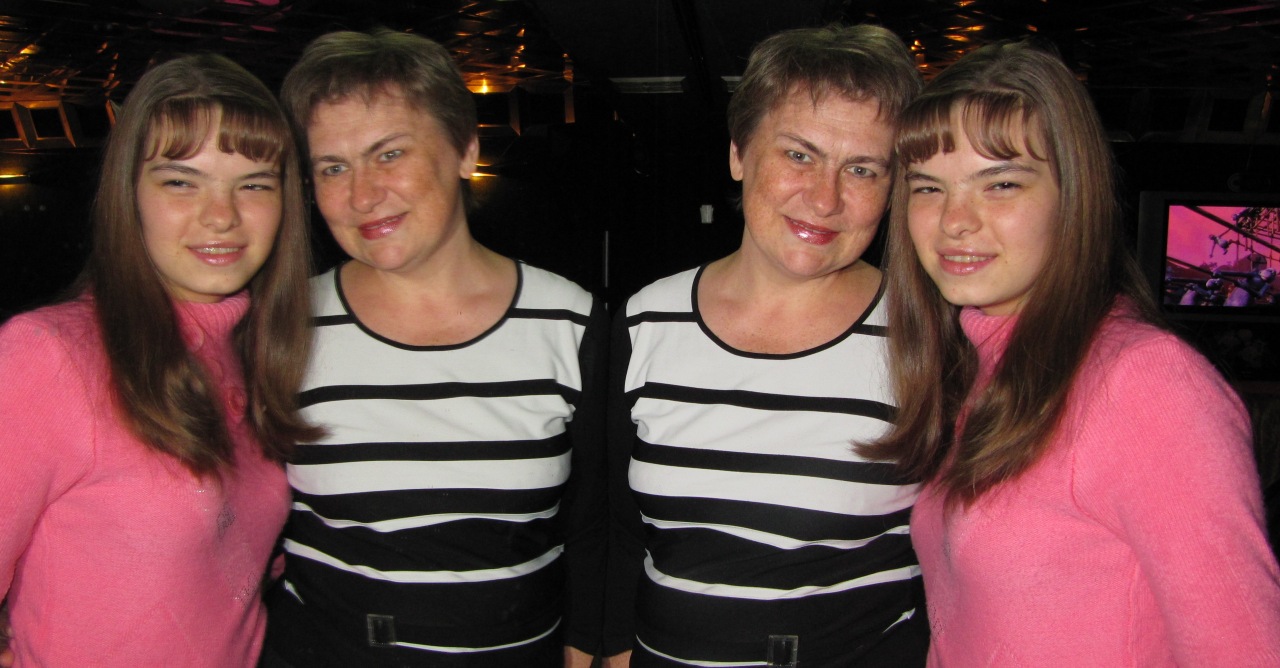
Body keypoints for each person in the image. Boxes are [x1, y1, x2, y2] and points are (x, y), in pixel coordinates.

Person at [865, 40, 1280, 665]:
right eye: (928, 188)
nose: (954, 221)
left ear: (1072, 195)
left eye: (1001, 184)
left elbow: (1244, 650)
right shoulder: (982, 365)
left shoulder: (1145, 382)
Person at [260, 29, 608, 667]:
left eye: (389, 154)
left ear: (464, 149)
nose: (362, 196)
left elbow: (595, 527)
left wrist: (586, 649)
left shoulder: (569, 320)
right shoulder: (280, 324)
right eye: (333, 167)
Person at [604, 24, 927, 667]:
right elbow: (614, 529)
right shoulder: (645, 321)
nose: (826, 198)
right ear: (739, 154)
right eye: (799, 155)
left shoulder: (929, 334)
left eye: (862, 169)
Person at [0, 53, 318, 666]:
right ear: (131, 195)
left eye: (254, 183)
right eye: (180, 181)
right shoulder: (51, 357)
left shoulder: (258, 356)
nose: (221, 215)